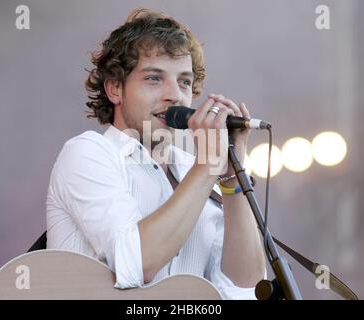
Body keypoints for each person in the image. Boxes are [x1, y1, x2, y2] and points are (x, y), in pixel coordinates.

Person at [46, 8, 266, 299]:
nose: (174, 95)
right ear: (115, 89)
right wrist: (207, 166)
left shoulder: (197, 170)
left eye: (185, 82)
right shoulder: (88, 153)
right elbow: (137, 263)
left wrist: (231, 174)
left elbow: (245, 289)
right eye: (154, 78)